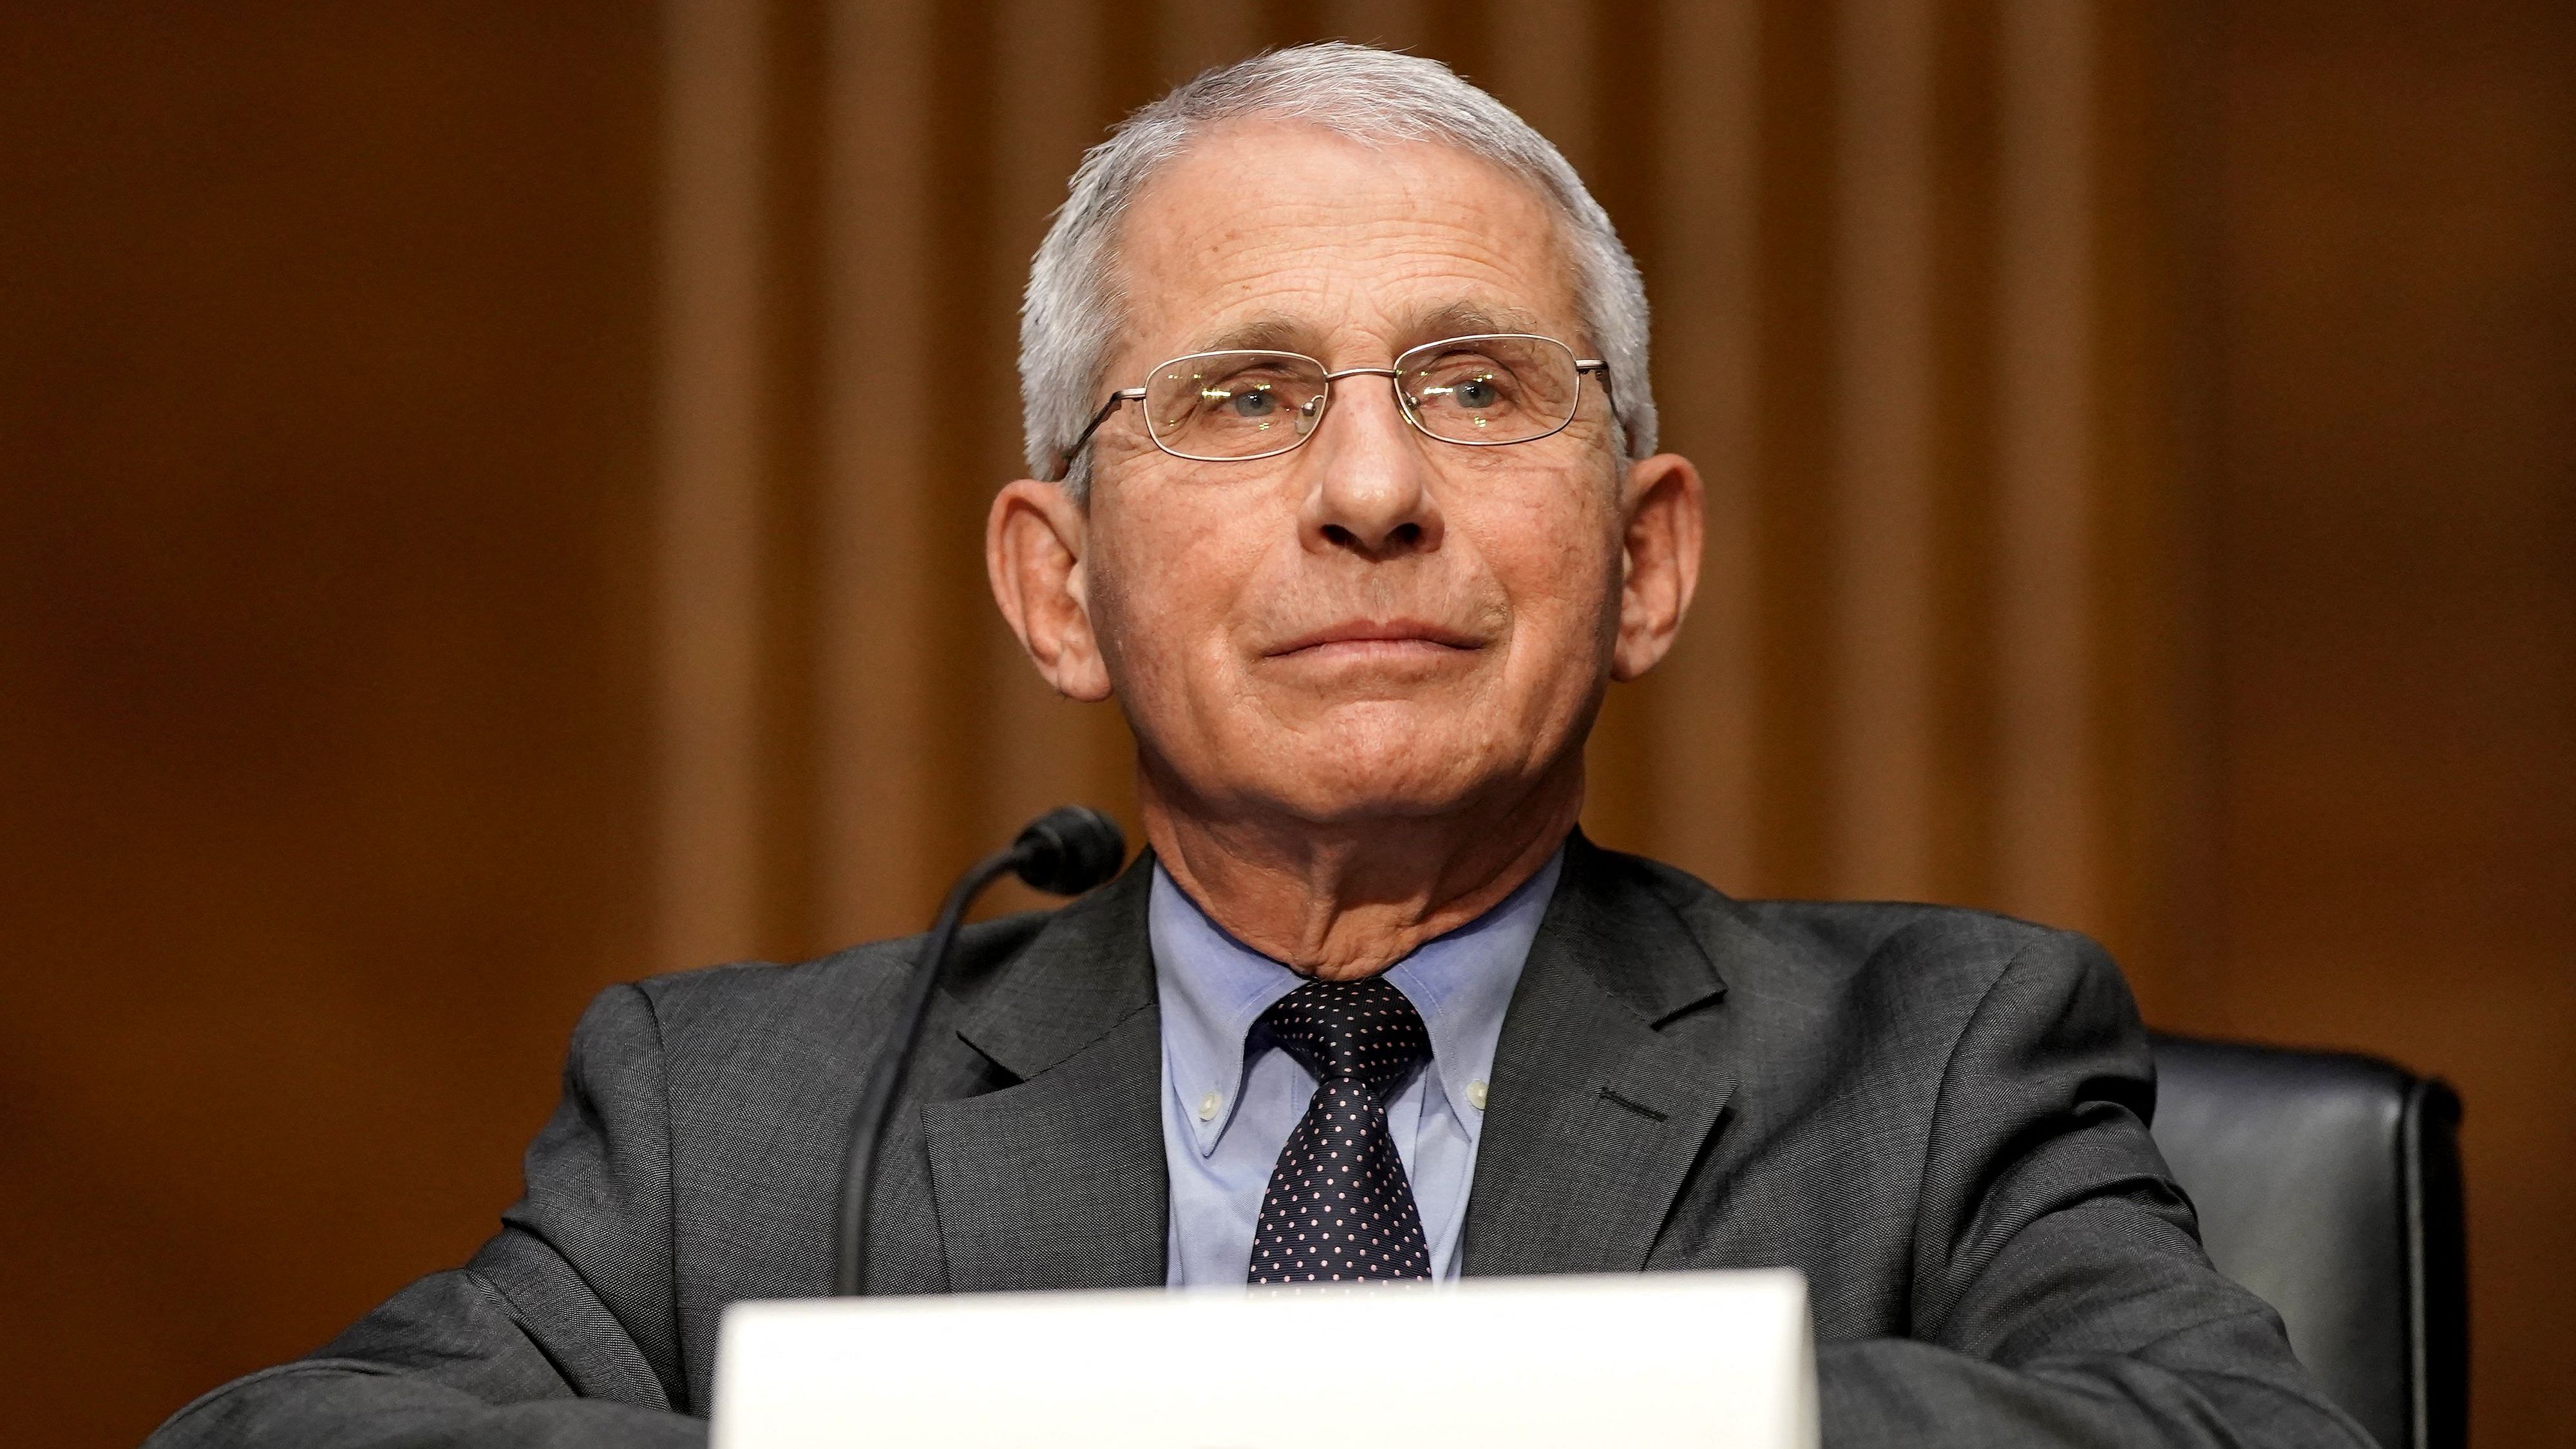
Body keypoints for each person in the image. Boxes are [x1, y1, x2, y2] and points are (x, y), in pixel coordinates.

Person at [149, 43, 2369, 1449]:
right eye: (1244, 396)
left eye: (1481, 386)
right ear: (1056, 585)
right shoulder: (737, 1116)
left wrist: (1511, 1423)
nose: (1373, 488)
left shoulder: (1944, 1057)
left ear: (1646, 559)